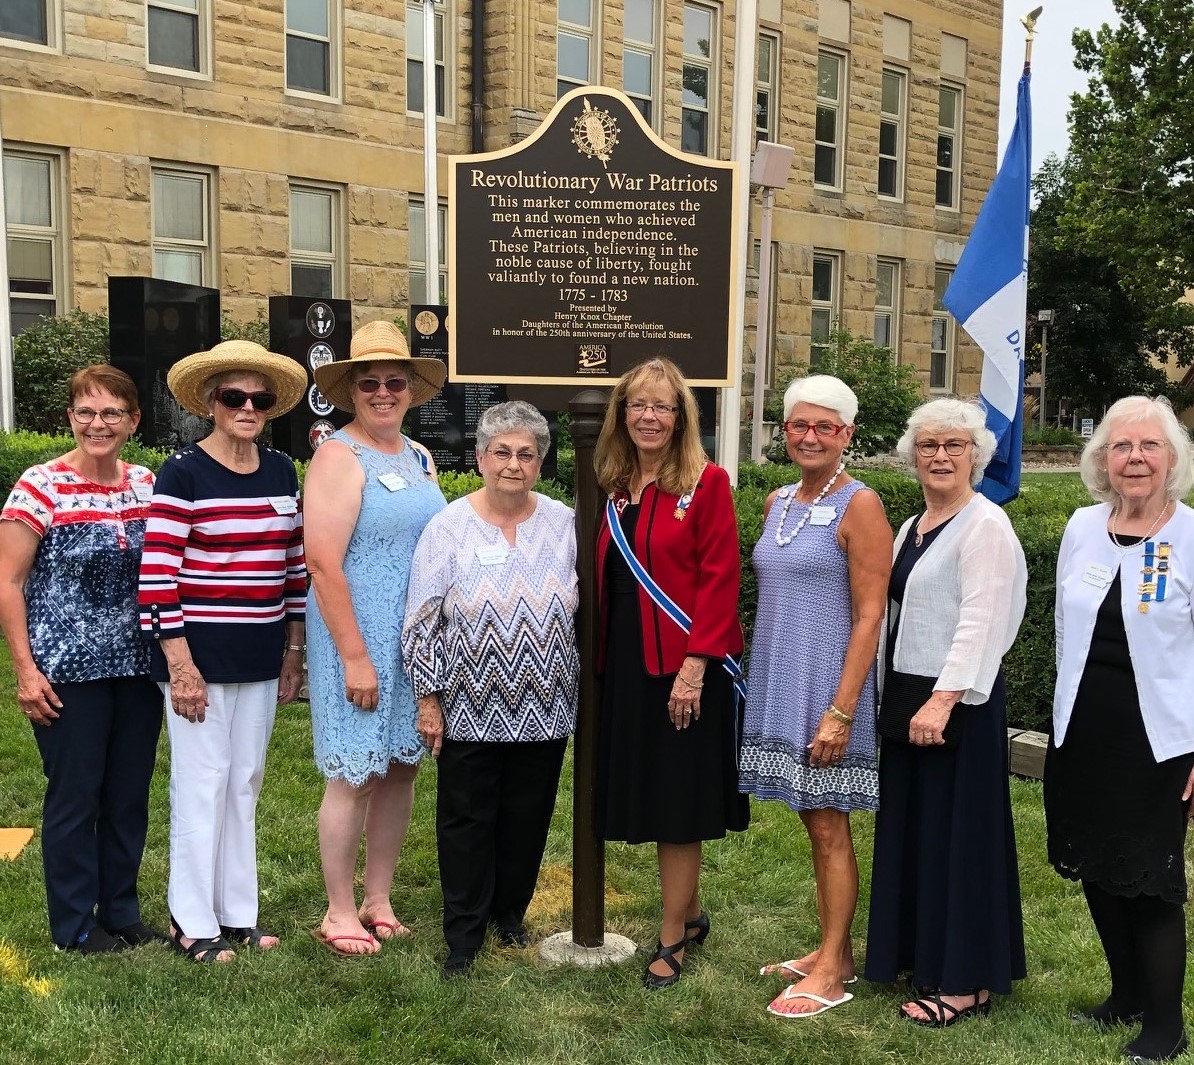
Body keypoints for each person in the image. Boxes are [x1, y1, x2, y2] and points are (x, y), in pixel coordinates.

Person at [138, 340, 308, 963]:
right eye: (234, 396)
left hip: (262, 653)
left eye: (259, 399)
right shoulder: (182, 473)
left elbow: (294, 570)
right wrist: (180, 667)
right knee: (201, 783)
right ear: (211, 403)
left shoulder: (283, 470)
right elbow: (157, 579)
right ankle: (191, 921)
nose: (247, 407)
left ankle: (238, 913)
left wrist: (294, 651)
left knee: (245, 782)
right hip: (197, 658)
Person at [864, 396, 1027, 1025]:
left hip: (956, 704)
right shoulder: (912, 526)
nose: (939, 455)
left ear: (976, 457)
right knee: (916, 834)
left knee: (961, 842)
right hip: (907, 698)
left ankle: (964, 983)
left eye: (953, 445)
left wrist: (944, 699)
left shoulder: (987, 526)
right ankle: (919, 955)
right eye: (929, 445)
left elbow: (985, 620)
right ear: (912, 455)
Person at [403, 401, 578, 978]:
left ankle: (509, 912)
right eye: (501, 452)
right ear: (480, 458)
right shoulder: (448, 526)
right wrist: (430, 701)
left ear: (540, 463)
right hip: (470, 707)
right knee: (466, 819)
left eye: (526, 454)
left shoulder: (564, 522)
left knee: (527, 817)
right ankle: (464, 932)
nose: (513, 464)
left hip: (545, 704)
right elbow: (422, 619)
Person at [593, 356, 749, 989]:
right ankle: (689, 911)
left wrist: (695, 666)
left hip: (682, 664)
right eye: (638, 405)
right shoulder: (612, 483)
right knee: (648, 791)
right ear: (622, 414)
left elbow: (721, 578)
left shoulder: (705, 482)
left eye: (662, 406)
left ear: (682, 416)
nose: (649, 416)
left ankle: (673, 934)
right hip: (624, 661)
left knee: (678, 802)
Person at [1048, 396, 1194, 1064]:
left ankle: (1166, 1024)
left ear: (1172, 459)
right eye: (1122, 446)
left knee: (1151, 876)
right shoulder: (1082, 526)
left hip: (1160, 737)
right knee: (1098, 866)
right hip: (1082, 726)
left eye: (1150, 445)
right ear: (1103, 459)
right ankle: (1126, 994)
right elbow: (1063, 627)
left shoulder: (1189, 536)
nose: (1136, 457)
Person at [742, 375, 892, 1018]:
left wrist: (842, 708)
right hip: (782, 679)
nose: (808, 436)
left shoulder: (862, 504)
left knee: (830, 824)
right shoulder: (779, 500)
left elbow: (869, 614)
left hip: (830, 688)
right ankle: (836, 949)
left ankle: (832, 967)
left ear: (846, 436)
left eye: (824, 426)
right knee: (812, 820)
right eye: (798, 425)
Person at [0, 365, 163, 954]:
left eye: (112, 412)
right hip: (66, 670)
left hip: (138, 668)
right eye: (86, 412)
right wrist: (25, 670)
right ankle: (74, 924)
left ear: (133, 421)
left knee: (128, 794)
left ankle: (121, 911)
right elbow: (8, 583)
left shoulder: (146, 482)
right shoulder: (40, 485)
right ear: (70, 417)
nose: (98, 423)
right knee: (75, 796)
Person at [304, 319, 447, 957]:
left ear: (412, 389)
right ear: (351, 392)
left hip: (408, 639)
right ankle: (338, 910)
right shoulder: (338, 455)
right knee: (352, 774)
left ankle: (378, 897)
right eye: (370, 384)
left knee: (398, 769)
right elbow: (322, 562)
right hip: (354, 634)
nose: (383, 393)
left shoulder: (417, 456)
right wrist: (355, 657)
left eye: (394, 382)